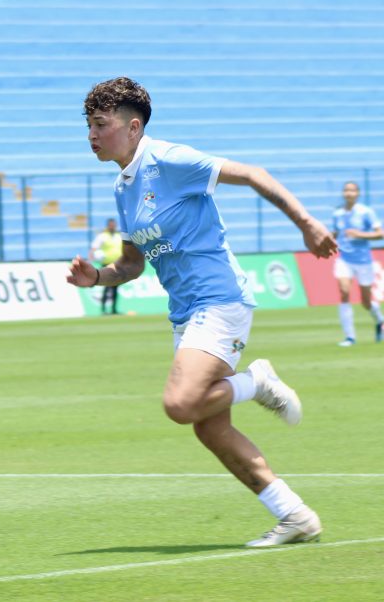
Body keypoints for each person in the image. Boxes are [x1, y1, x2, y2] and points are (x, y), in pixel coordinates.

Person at [68, 77, 337, 548]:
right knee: (209, 428)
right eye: (88, 125)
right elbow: (132, 265)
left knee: (180, 404)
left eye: (100, 124)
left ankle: (257, 382)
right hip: (186, 312)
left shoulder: (169, 160)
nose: (91, 134)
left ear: (133, 127)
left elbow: (254, 174)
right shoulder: (122, 187)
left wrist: (307, 223)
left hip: (219, 299)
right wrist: (98, 278)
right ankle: (295, 516)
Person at [331, 181, 384, 346]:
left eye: (352, 190)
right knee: (344, 292)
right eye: (346, 190)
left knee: (366, 302)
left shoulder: (366, 212)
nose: (349, 193)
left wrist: (359, 234)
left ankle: (380, 321)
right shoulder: (338, 213)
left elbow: (380, 234)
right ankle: (349, 337)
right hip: (344, 259)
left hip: (363, 261)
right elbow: (335, 233)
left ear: (358, 193)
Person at [89, 218, 122, 314]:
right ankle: (103, 309)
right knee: (107, 286)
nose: (113, 226)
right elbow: (94, 248)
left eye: (114, 224)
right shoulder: (102, 236)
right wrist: (91, 259)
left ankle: (113, 309)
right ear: (108, 225)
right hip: (107, 264)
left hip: (118, 264)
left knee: (116, 287)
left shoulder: (118, 236)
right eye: (111, 225)